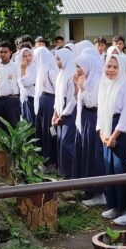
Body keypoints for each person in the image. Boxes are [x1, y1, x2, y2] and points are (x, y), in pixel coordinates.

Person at [98, 51, 126, 225]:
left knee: (121, 171)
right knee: (110, 170)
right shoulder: (104, 84)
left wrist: (113, 136)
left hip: (121, 133)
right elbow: (101, 110)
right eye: (108, 66)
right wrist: (101, 133)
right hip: (106, 131)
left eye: (115, 67)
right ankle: (114, 206)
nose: (111, 70)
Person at [74, 50, 107, 205]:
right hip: (86, 118)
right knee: (87, 152)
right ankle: (89, 189)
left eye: (80, 66)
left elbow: (91, 102)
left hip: (94, 118)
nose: (78, 70)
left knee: (94, 154)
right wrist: (78, 87)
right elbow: (79, 99)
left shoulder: (97, 80)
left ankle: (99, 193)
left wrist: (81, 87)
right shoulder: (86, 79)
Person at [52, 47, 79, 177]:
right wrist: (55, 113)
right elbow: (57, 97)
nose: (57, 62)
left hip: (70, 114)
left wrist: (62, 116)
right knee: (61, 143)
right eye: (56, 59)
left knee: (66, 144)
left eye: (59, 59)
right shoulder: (60, 75)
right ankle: (65, 173)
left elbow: (72, 100)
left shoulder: (71, 76)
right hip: (61, 114)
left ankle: (76, 173)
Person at [31, 45, 58, 166]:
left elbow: (58, 91)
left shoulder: (50, 71)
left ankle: (50, 159)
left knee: (48, 132)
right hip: (43, 102)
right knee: (41, 130)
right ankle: (41, 158)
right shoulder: (39, 70)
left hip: (50, 103)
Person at [0, 41, 21, 130]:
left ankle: (14, 145)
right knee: (0, 128)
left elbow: (21, 84)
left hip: (11, 101)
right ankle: (1, 144)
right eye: (1, 52)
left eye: (5, 52)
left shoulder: (15, 66)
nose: (3, 54)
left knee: (13, 128)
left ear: (10, 52)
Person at [18, 46, 35, 124]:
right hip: (23, 99)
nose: (27, 58)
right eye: (24, 56)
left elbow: (26, 83)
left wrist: (23, 69)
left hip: (33, 98)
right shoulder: (19, 67)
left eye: (29, 55)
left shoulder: (35, 67)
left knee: (32, 123)